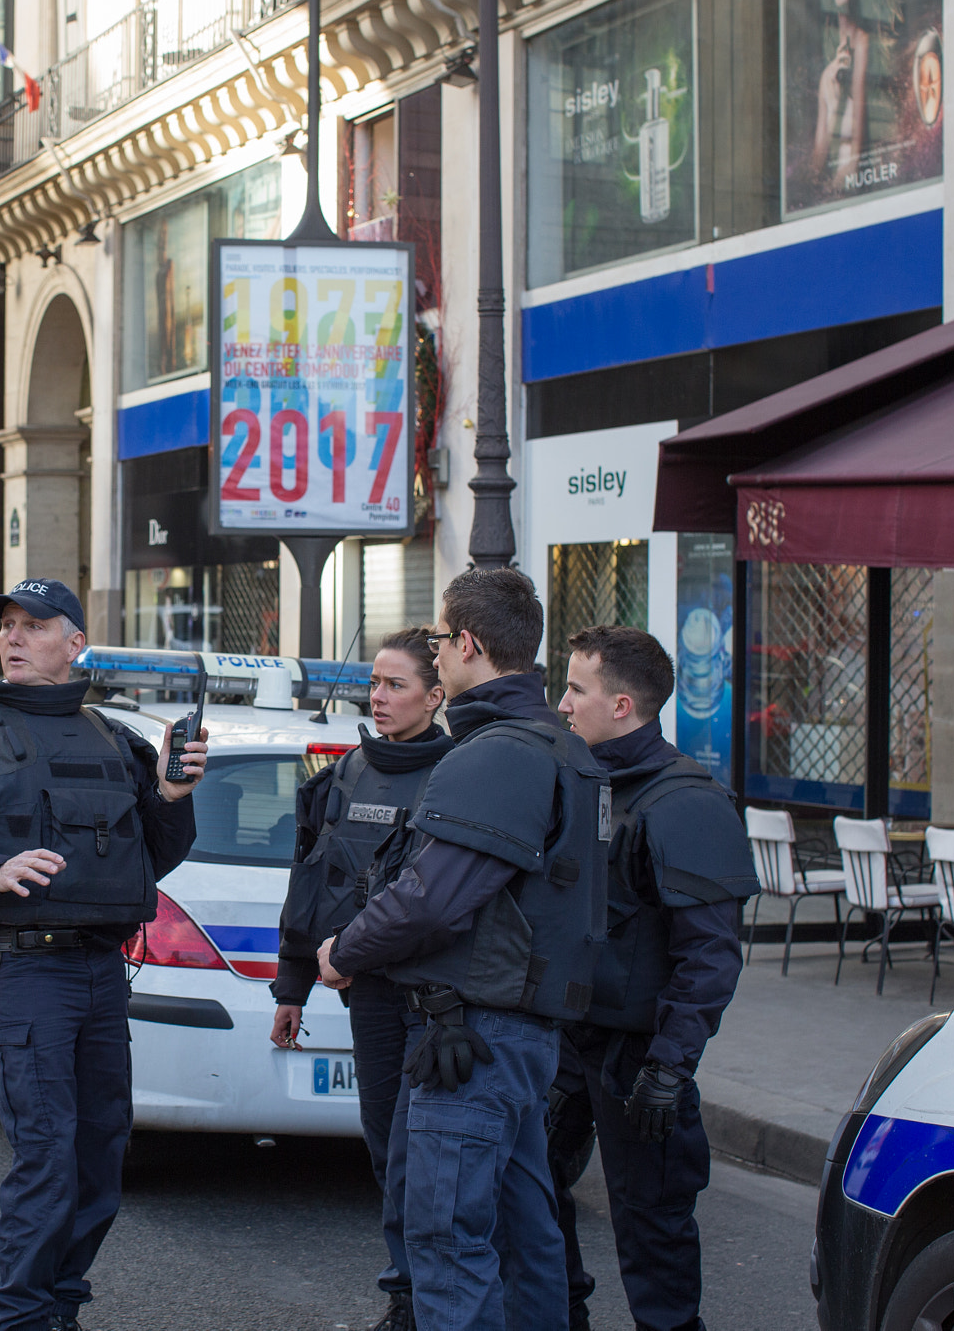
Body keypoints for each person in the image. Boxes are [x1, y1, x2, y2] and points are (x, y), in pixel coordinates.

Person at [0, 577, 207, 1331]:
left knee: (101, 1157)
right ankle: (19, 1316)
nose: (14, 637)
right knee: (47, 1159)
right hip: (30, 971)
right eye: (7, 624)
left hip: (103, 972)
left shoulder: (115, 740)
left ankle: (61, 1303)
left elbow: (151, 861)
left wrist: (169, 796)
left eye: (35, 626)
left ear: (74, 644)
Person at [317, 567, 609, 1331]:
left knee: (448, 1236)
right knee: (522, 1231)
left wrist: (345, 949)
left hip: (474, 1038)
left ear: (470, 644)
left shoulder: (500, 753)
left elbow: (435, 895)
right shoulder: (560, 746)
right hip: (514, 1033)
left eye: (443, 640)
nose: (438, 654)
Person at [550, 626, 756, 1331]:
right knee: (526, 1186)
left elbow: (711, 956)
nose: (563, 704)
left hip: (637, 1056)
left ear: (624, 704)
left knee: (652, 1228)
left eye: (577, 689)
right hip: (569, 1039)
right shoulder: (584, 778)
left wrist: (668, 1067)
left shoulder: (686, 802)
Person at [271, 626, 451, 1331]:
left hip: (440, 1004)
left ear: (436, 696)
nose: (378, 697)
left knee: (423, 1156)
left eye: (396, 684)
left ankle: (430, 1296)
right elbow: (310, 887)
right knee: (387, 1150)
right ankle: (406, 1295)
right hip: (368, 997)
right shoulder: (342, 775)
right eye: (374, 683)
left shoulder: (463, 775)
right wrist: (292, 989)